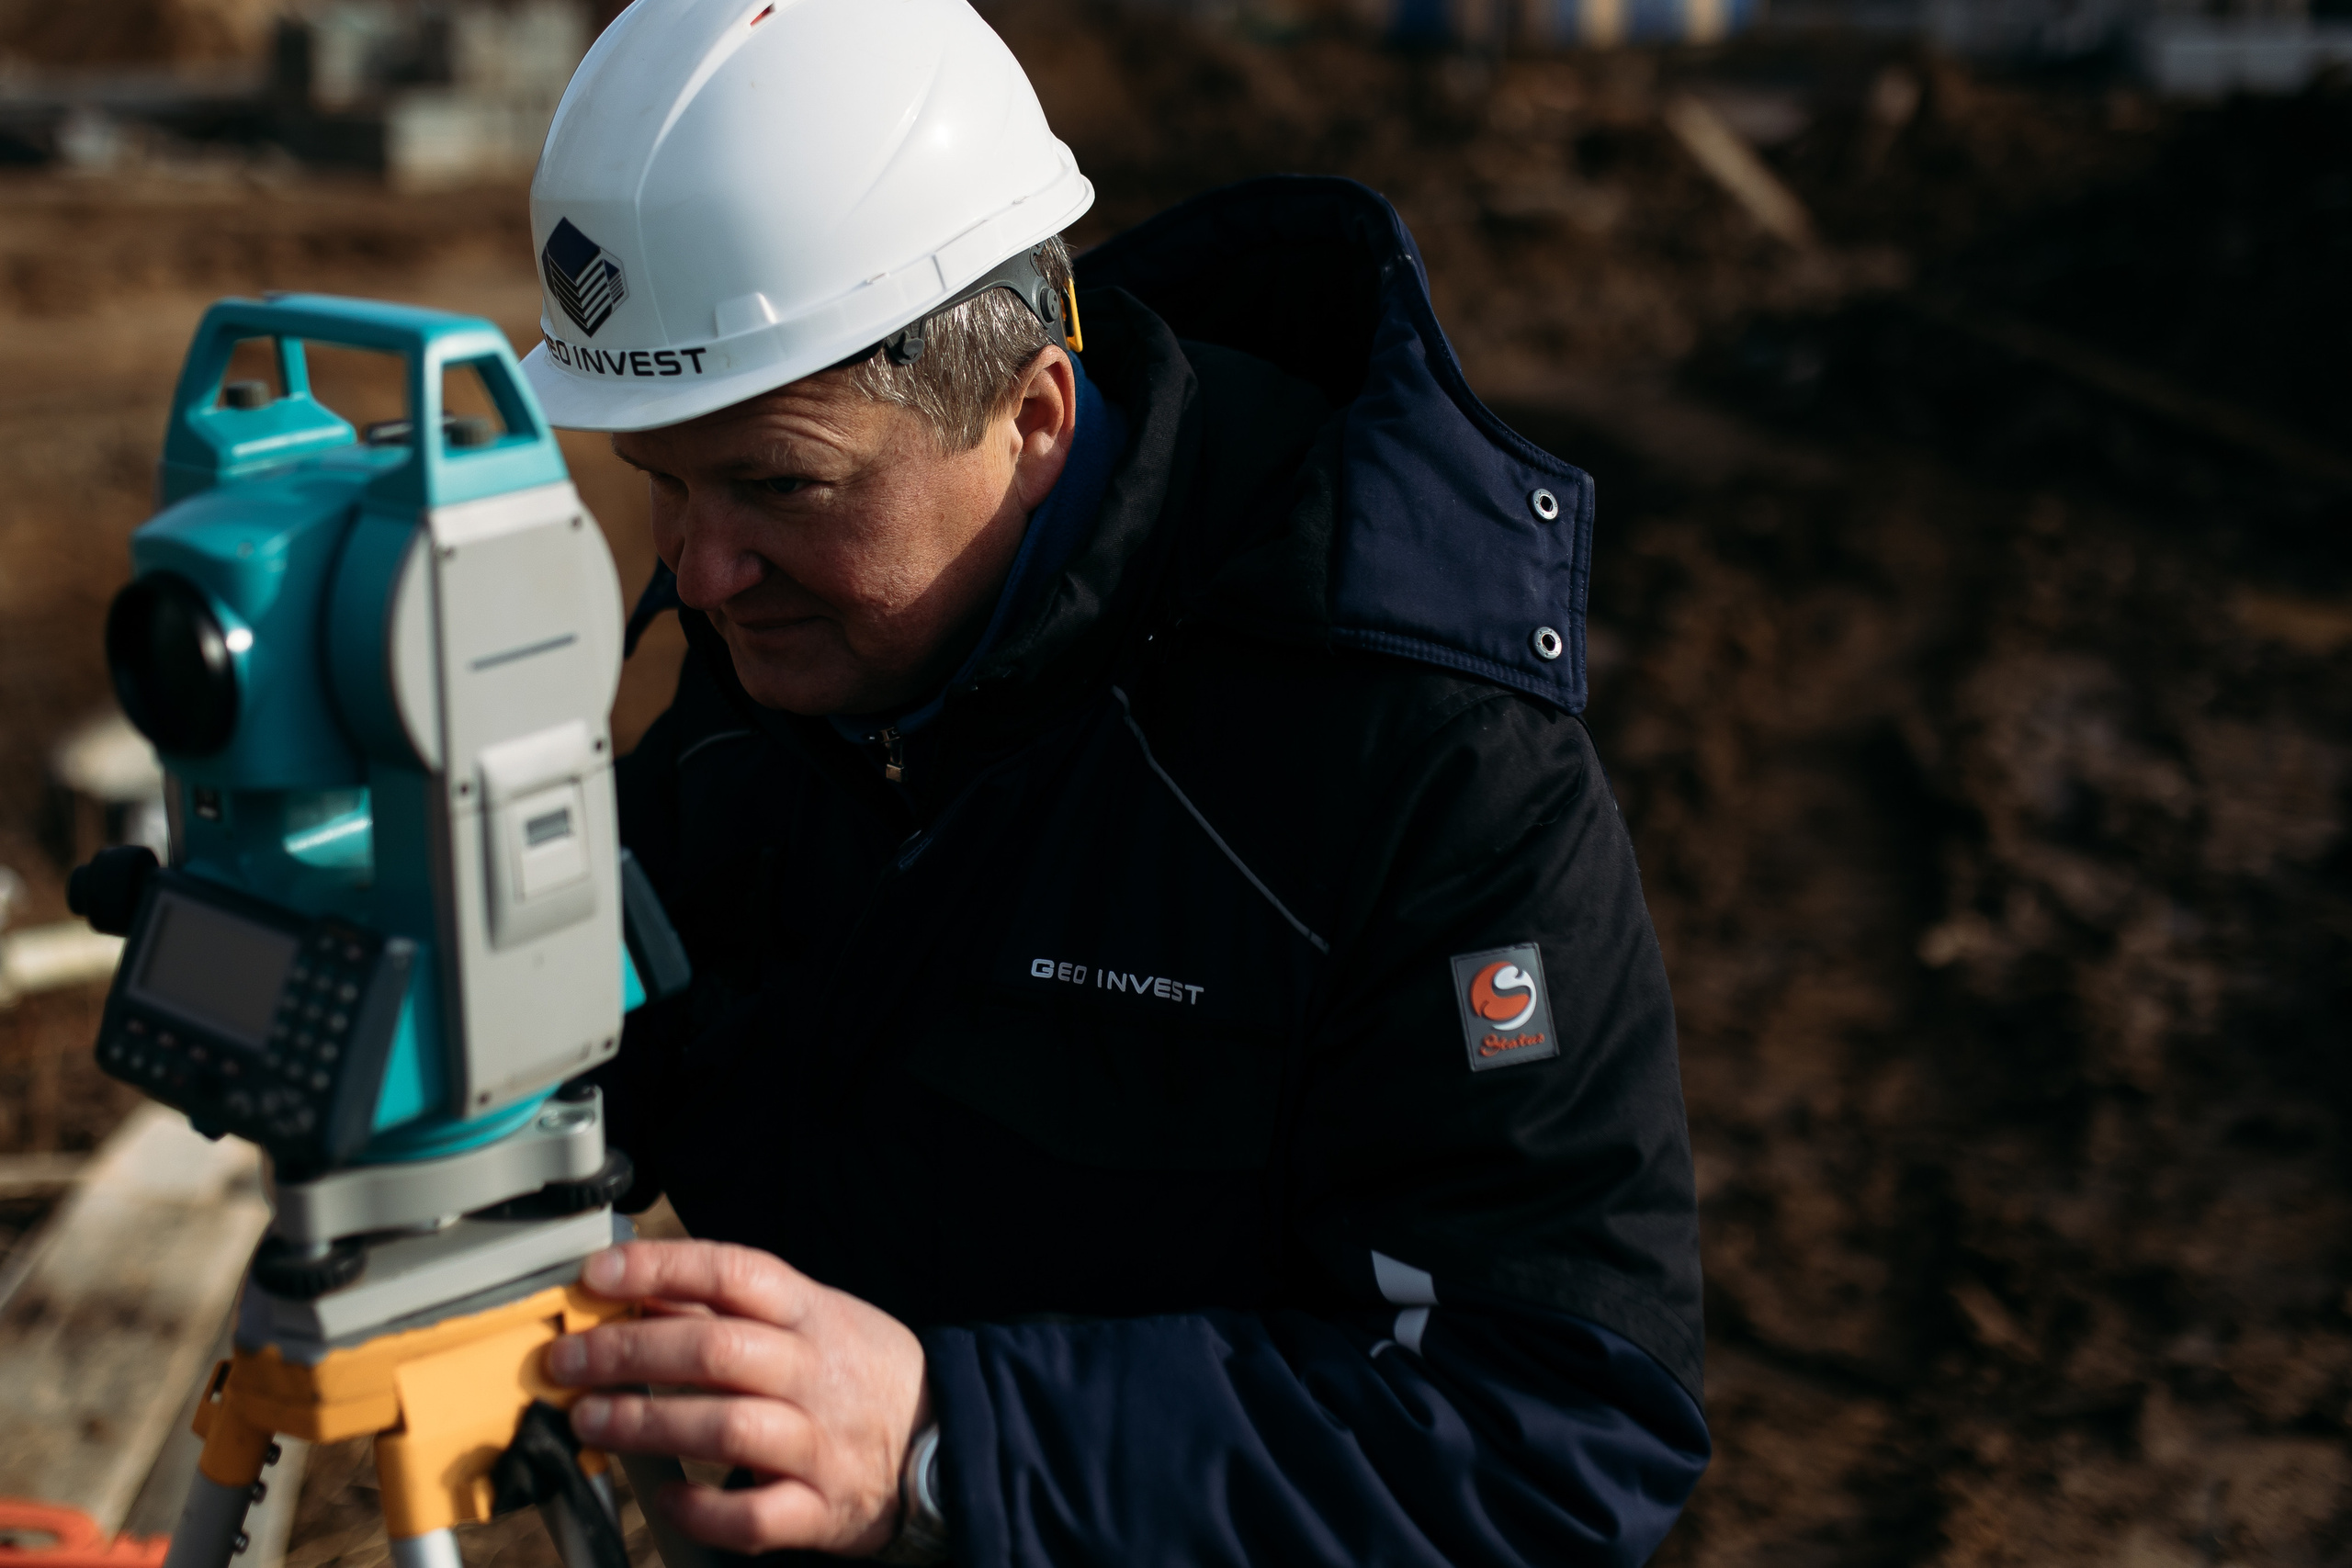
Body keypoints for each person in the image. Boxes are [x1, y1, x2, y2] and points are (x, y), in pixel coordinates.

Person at [520, 1, 1709, 1562]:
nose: (704, 569)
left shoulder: (1410, 756)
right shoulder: (804, 655)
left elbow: (1553, 1430)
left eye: (775, 484)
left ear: (1030, 416)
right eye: (657, 485)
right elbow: (639, 1030)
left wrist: (950, 1445)